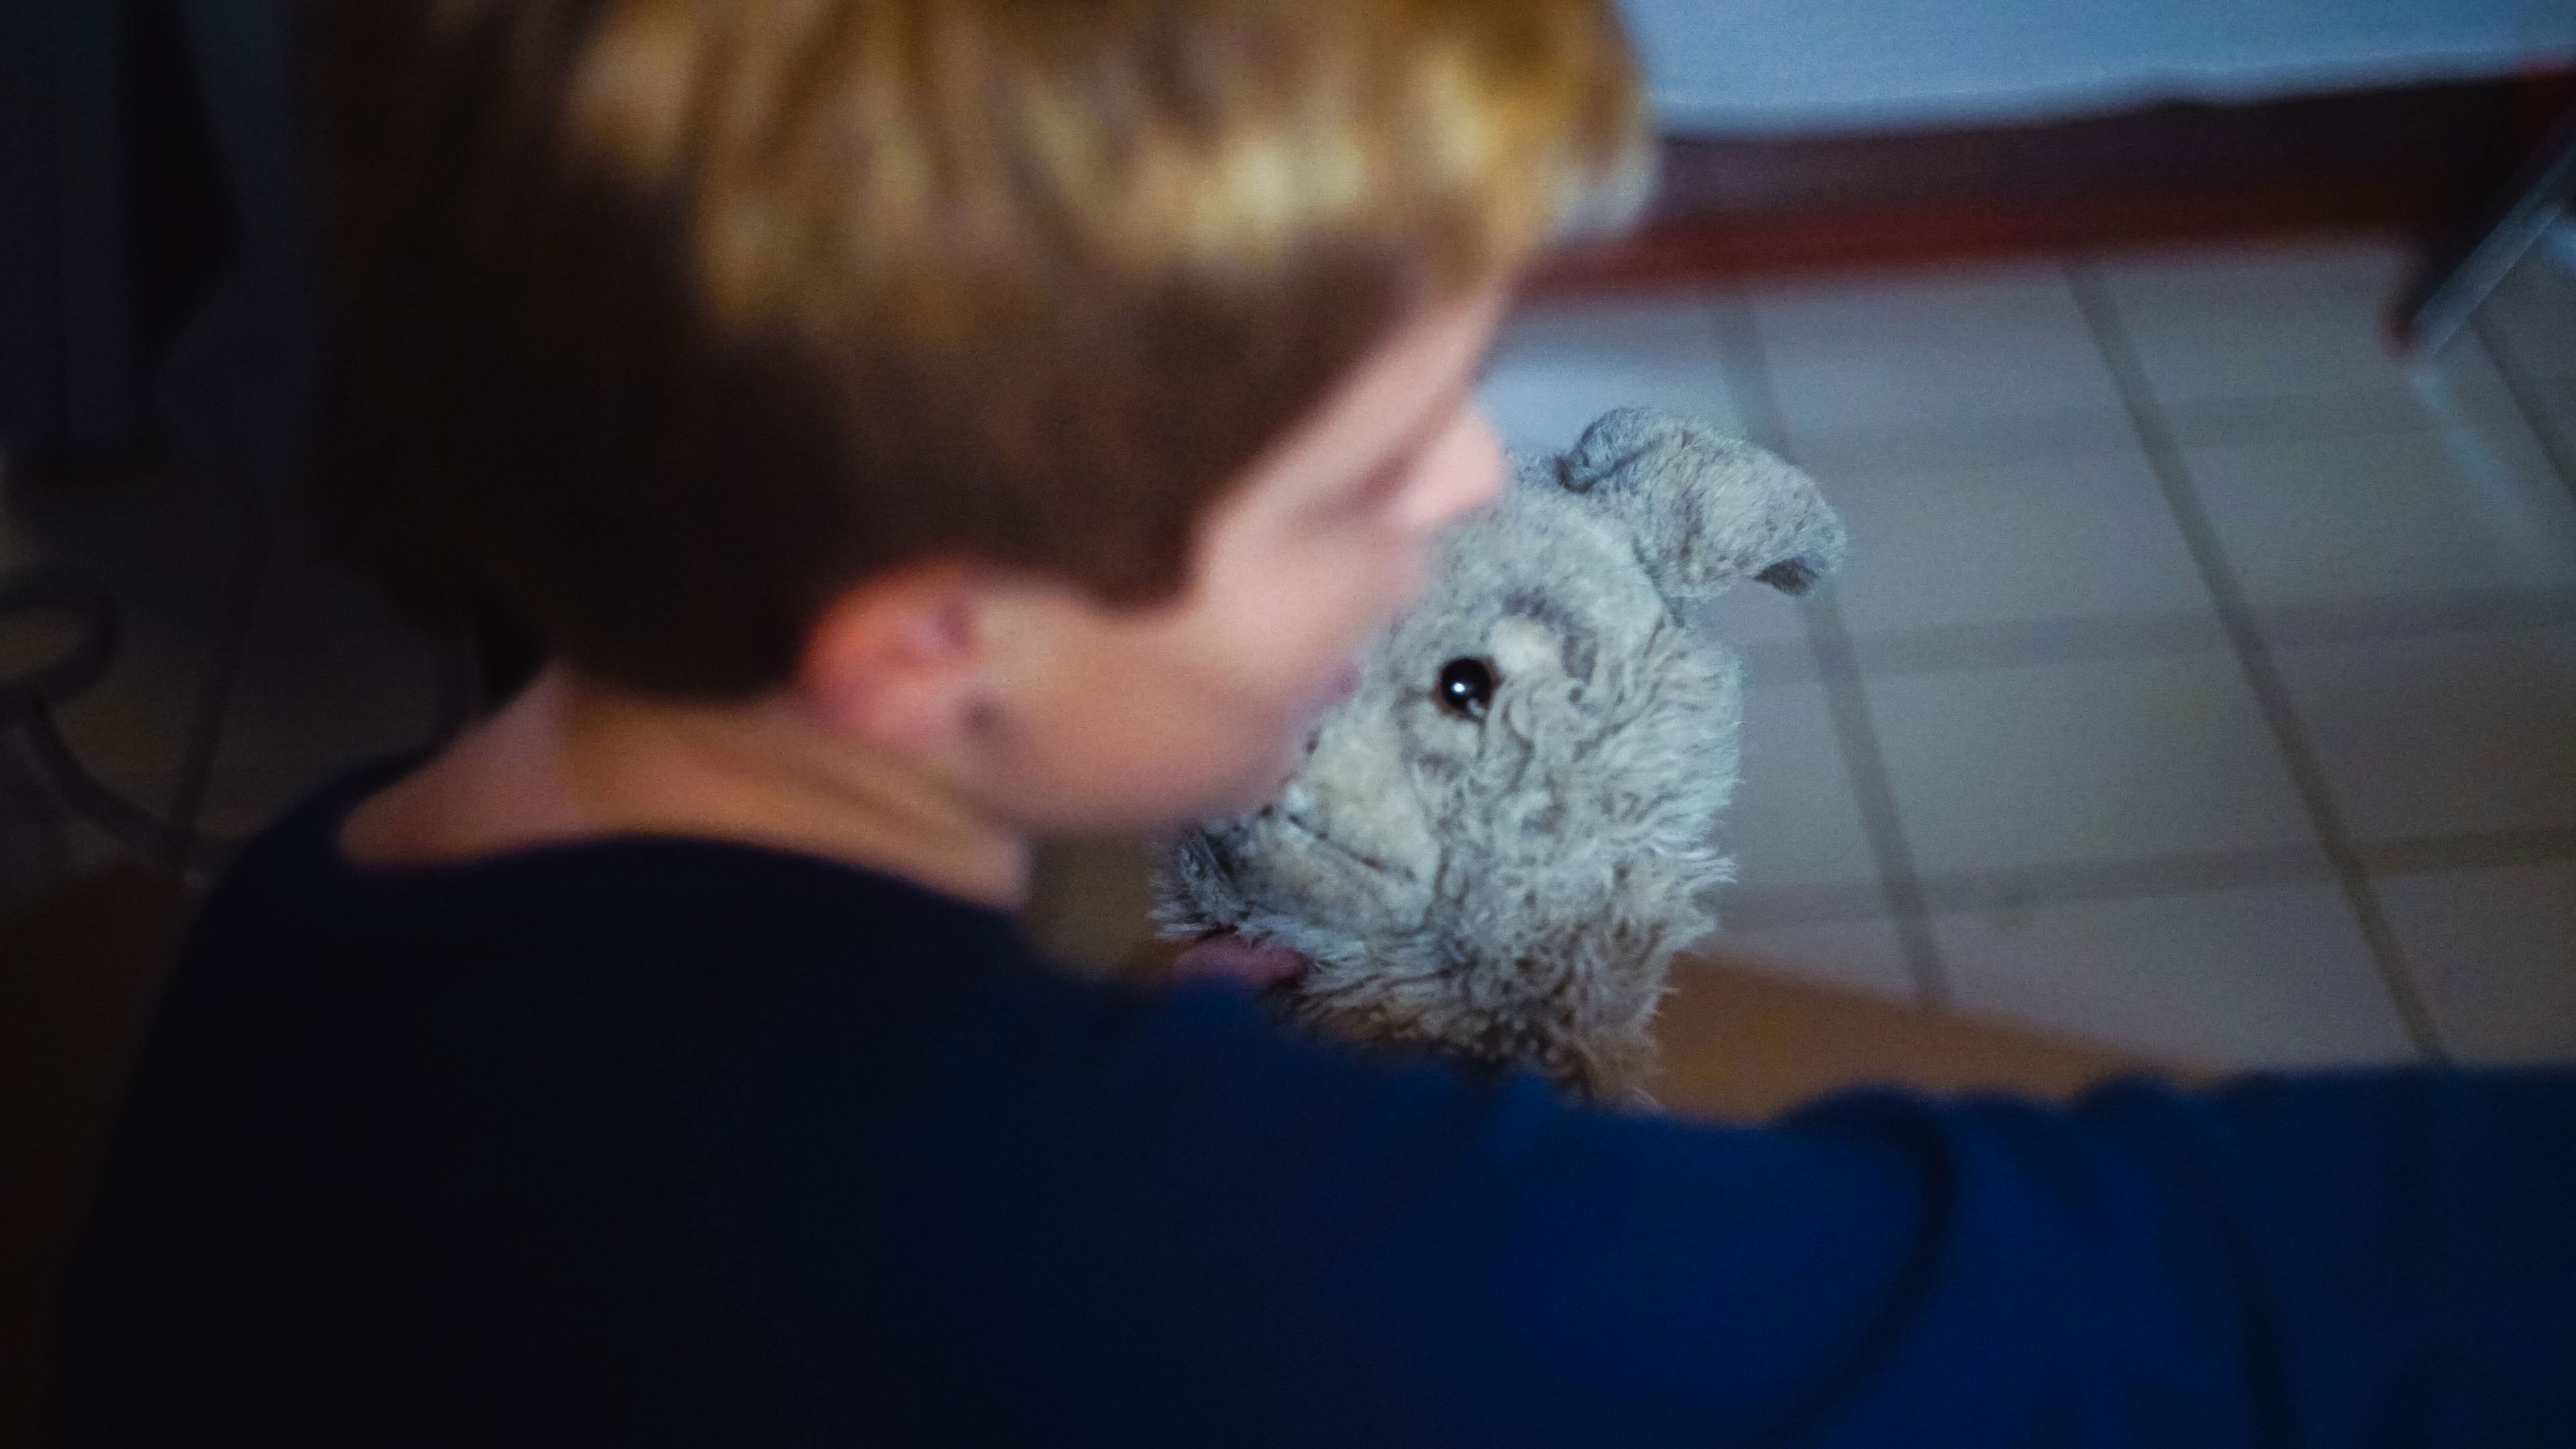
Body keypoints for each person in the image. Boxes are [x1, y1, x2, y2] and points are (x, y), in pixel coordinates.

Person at [44, 1, 2575, 1443]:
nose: (1472, 488)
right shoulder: (1108, 1237)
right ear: (932, 647)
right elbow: (2138, 1312)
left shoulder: (357, 872)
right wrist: (1206, 1178)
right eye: (1366, 475)